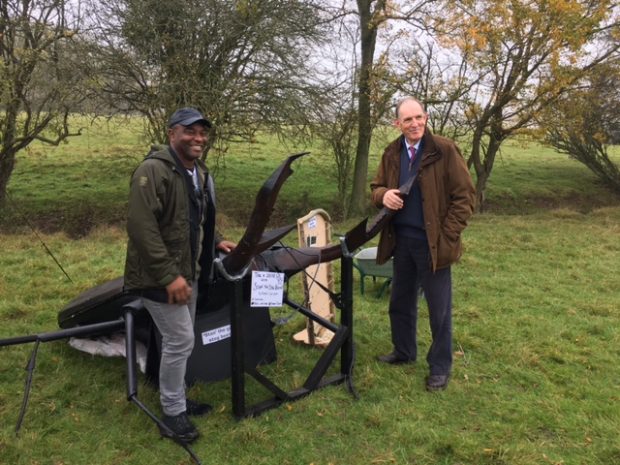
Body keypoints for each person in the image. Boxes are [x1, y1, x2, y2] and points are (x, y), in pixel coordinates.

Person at [124, 107, 235, 442]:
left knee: (180, 343)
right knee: (181, 339)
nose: (198, 138)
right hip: (158, 278)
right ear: (172, 132)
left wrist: (216, 241)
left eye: (202, 132)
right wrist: (169, 276)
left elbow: (194, 219)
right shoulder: (152, 171)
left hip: (189, 272)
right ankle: (172, 416)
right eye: (190, 131)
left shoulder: (198, 172)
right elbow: (142, 229)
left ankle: (176, 399)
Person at [370, 97, 475, 391]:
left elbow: (466, 197)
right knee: (399, 302)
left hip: (433, 245)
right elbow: (375, 188)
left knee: (439, 310)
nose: (414, 124)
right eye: (407, 120)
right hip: (401, 241)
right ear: (397, 124)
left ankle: (440, 367)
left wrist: (447, 237)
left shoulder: (444, 149)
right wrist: (383, 196)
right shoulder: (391, 153)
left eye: (418, 117)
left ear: (426, 117)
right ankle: (403, 352)